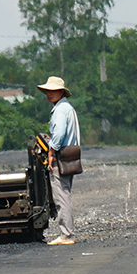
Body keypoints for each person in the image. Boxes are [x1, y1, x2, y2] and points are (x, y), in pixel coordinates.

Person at [38, 76, 79, 246]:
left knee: (62, 196)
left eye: (53, 91)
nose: (49, 94)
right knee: (65, 193)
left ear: (61, 92)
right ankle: (66, 233)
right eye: (48, 91)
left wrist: (51, 150)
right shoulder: (66, 108)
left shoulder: (61, 110)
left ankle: (66, 235)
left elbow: (60, 134)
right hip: (69, 156)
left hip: (61, 156)